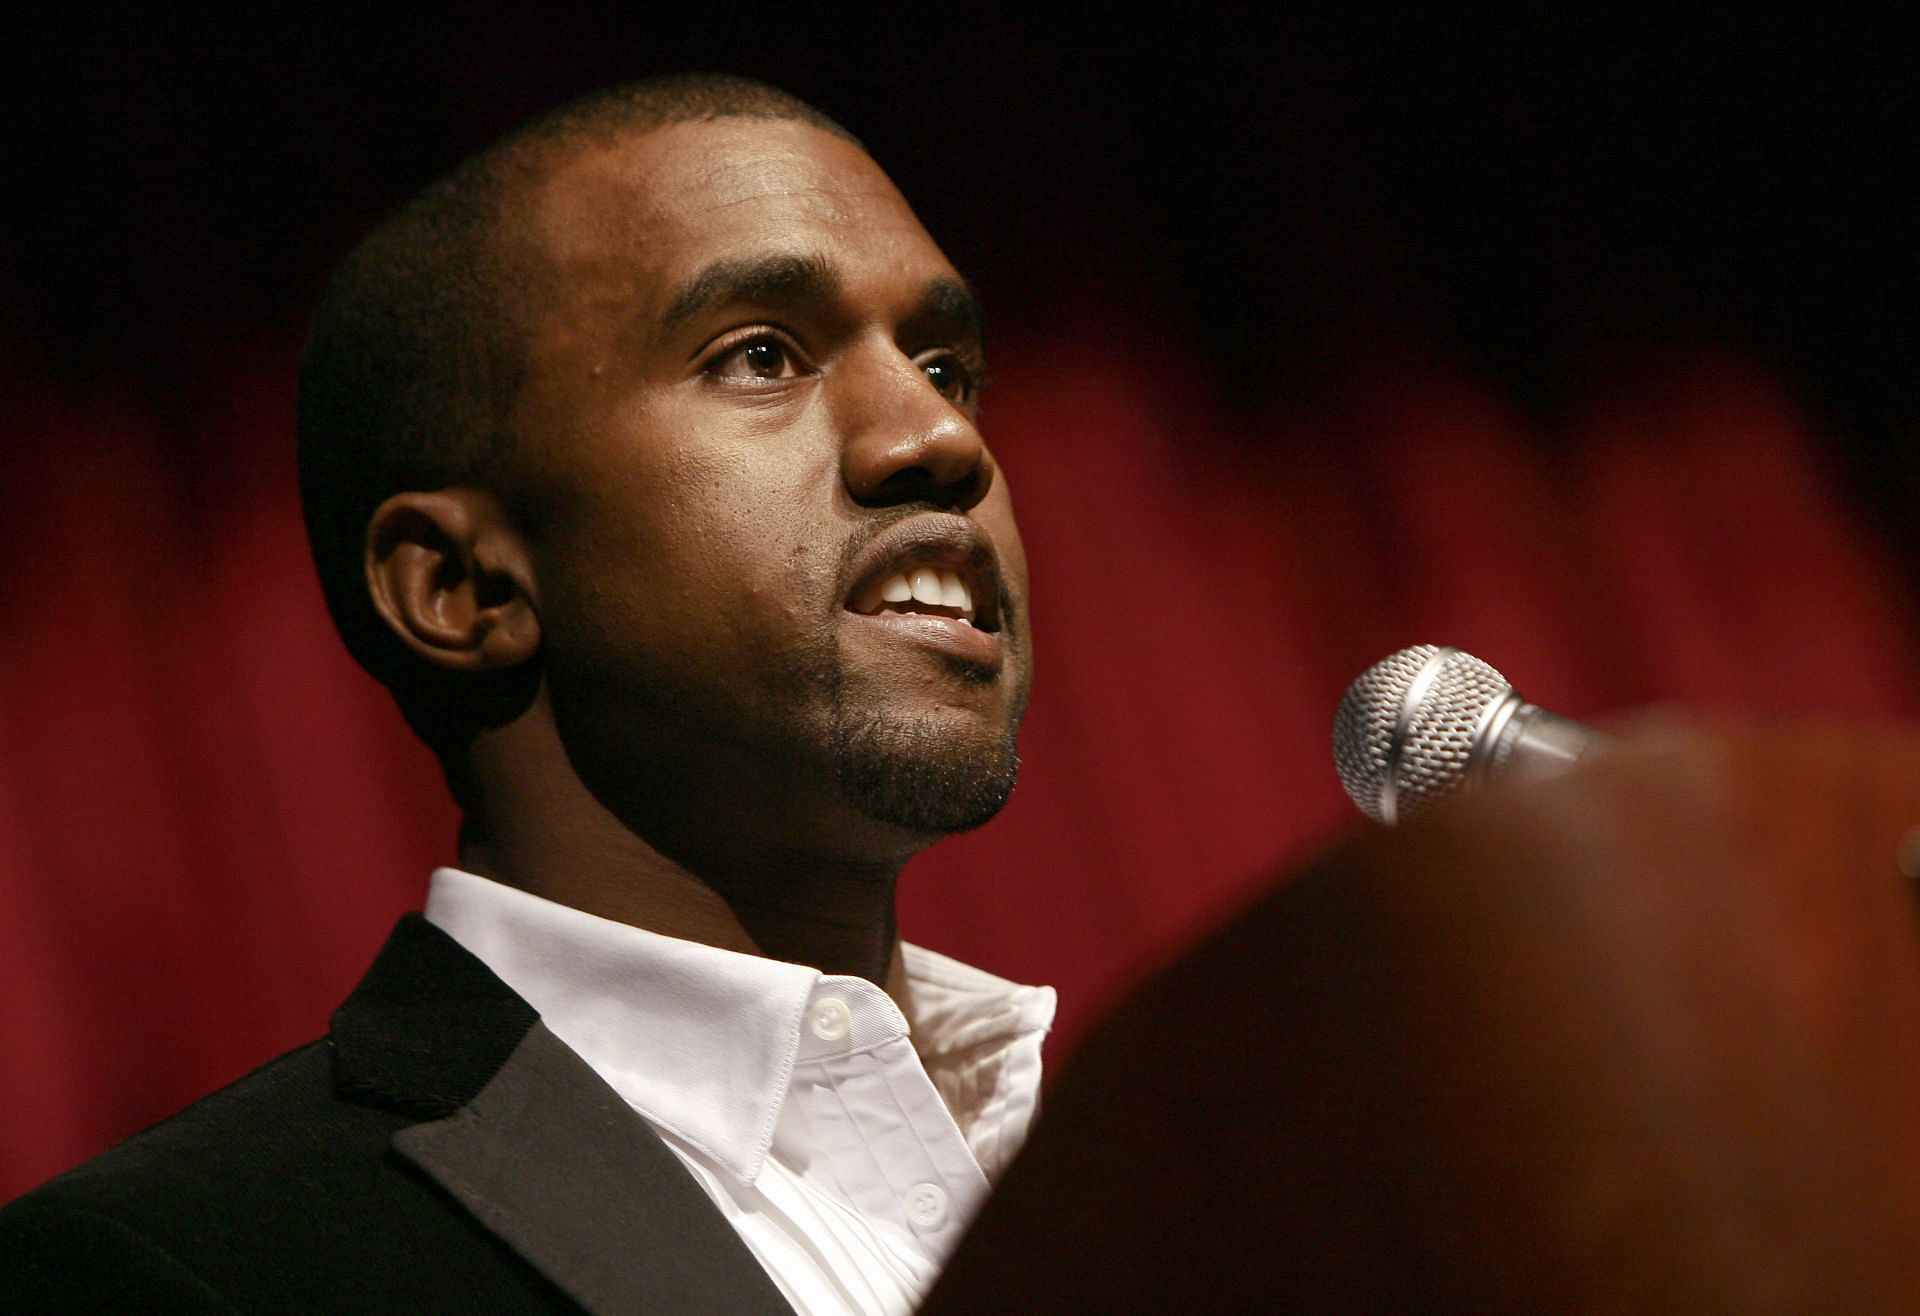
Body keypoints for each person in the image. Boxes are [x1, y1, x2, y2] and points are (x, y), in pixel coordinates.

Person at [0, 73, 1050, 1314]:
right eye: (761, 354)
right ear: (458, 586)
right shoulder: (179, 1268)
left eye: (947, 363)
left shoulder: (1170, 1136)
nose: (940, 436)